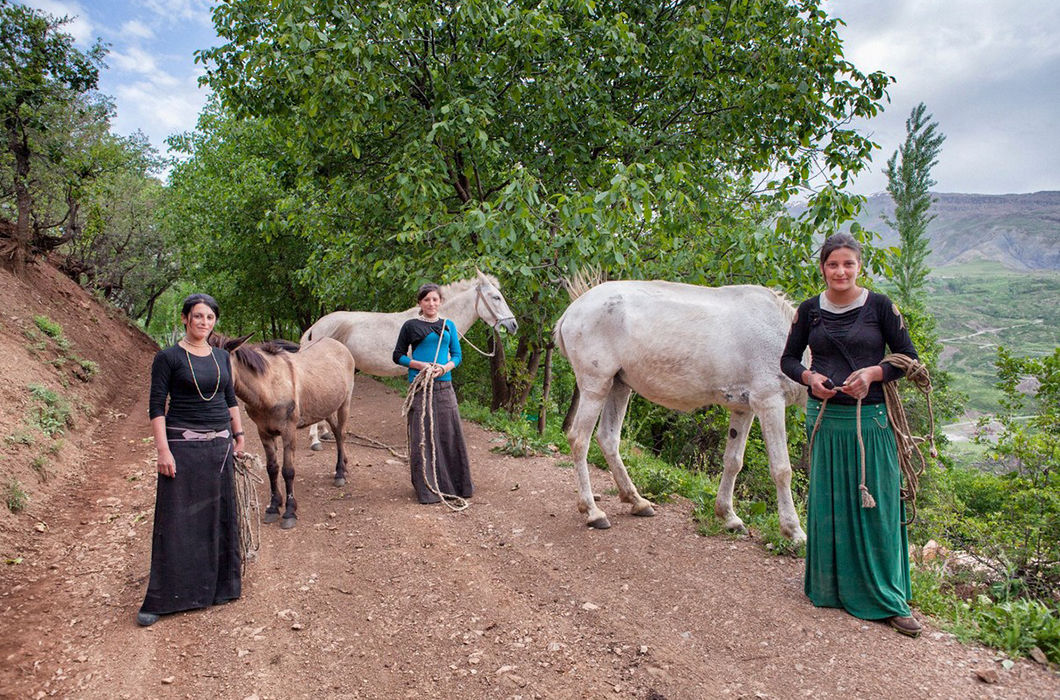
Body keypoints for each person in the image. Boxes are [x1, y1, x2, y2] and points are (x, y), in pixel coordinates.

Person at [780, 233, 923, 638]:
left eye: (848, 264)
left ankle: (889, 599)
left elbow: (909, 358)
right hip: (825, 420)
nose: (840, 272)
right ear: (822, 268)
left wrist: (874, 373)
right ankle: (831, 588)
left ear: (859, 267)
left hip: (871, 421)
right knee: (830, 504)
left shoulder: (879, 306)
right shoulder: (809, 311)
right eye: (832, 265)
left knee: (876, 508)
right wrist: (810, 378)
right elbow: (789, 360)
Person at [137, 293, 246, 627]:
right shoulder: (167, 358)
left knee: (217, 517)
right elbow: (157, 406)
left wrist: (239, 436)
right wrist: (162, 450)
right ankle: (165, 598)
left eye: (210, 318)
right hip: (182, 445)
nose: (204, 323)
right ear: (184, 318)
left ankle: (218, 590)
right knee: (177, 522)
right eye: (198, 316)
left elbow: (229, 398)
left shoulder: (220, 357)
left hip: (219, 447)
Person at [392, 283, 472, 504]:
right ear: (420, 303)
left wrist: (444, 368)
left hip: (444, 386)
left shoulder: (449, 326)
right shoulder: (410, 326)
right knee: (422, 435)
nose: (431, 303)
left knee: (449, 433)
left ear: (440, 302)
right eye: (427, 300)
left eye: (435, 299)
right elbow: (397, 356)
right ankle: (427, 488)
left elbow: (457, 355)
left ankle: (456, 485)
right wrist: (418, 365)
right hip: (420, 386)